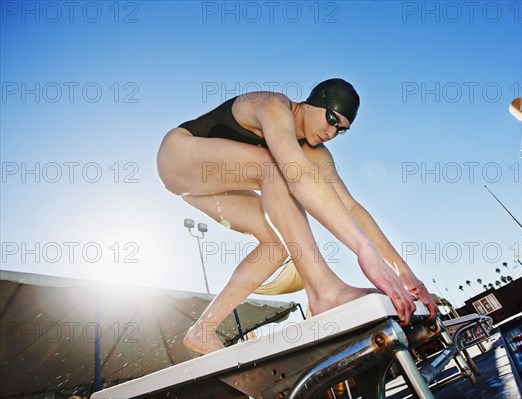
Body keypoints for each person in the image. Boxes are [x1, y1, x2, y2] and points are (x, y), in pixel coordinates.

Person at [157, 78, 438, 354]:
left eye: (341, 130)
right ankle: (324, 291)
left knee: (276, 246)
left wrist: (407, 276)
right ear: (314, 102)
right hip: (177, 155)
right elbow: (297, 174)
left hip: (205, 188)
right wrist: (363, 250)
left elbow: (351, 208)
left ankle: (203, 330)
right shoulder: (273, 106)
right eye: (331, 118)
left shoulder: (313, 151)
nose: (331, 133)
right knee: (276, 167)